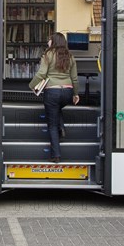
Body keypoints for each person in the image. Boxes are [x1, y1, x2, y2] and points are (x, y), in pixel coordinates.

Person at [29, 32, 79, 163]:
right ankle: (61, 126)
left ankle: (56, 155)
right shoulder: (71, 56)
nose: (47, 43)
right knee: (56, 110)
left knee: (51, 125)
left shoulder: (48, 54)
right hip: (67, 92)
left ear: (54, 41)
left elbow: (41, 74)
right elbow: (74, 78)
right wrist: (76, 94)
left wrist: (31, 85)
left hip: (52, 93)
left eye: (49, 40)